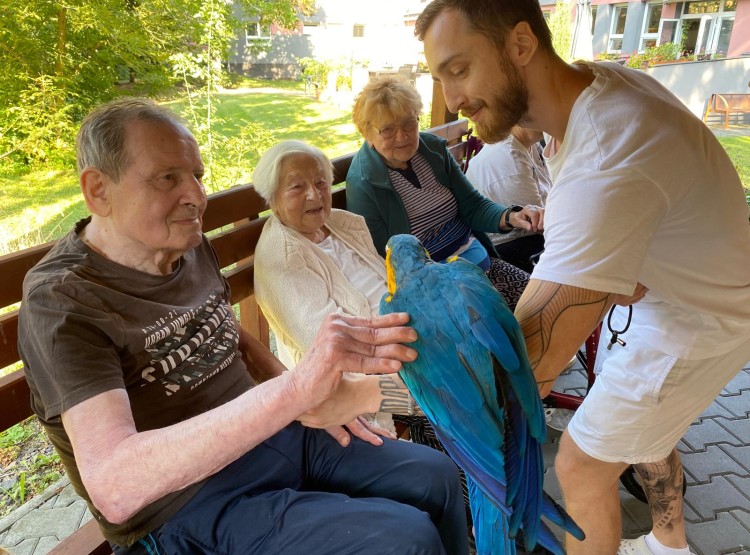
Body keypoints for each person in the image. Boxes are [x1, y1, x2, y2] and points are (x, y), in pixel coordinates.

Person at [17, 98, 470, 554]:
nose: (195, 195)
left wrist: (306, 396)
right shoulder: (64, 302)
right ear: (98, 191)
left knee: (434, 476)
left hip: (273, 435)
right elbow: (116, 486)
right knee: (403, 539)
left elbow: (229, 336)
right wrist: (295, 392)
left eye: (196, 175)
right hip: (188, 501)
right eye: (167, 178)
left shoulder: (183, 243)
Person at [416, 2, 750, 555]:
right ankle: (670, 545)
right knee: (637, 428)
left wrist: (387, 384)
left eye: (459, 69)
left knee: (580, 463)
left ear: (521, 45)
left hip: (700, 319)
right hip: (684, 290)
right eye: (440, 78)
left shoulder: (608, 155)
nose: (452, 100)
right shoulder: (597, 89)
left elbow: (524, 373)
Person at [252, 139, 472, 515]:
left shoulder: (343, 225)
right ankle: (472, 512)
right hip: (365, 377)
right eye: (297, 186)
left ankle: (486, 505)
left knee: (480, 376)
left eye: (321, 182)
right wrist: (418, 349)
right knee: (464, 404)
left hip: (408, 345)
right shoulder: (281, 256)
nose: (314, 194)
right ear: (273, 197)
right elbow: (329, 345)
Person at [345, 75, 542, 311]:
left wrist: (511, 216)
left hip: (484, 267)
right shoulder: (364, 182)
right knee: (512, 332)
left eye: (409, 123)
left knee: (543, 305)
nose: (402, 136)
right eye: (387, 130)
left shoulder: (432, 151)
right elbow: (381, 257)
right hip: (441, 296)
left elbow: (473, 205)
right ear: (367, 133)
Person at [465, 125, 550, 273]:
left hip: (527, 236)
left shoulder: (531, 145)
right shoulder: (509, 158)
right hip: (505, 246)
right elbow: (538, 223)